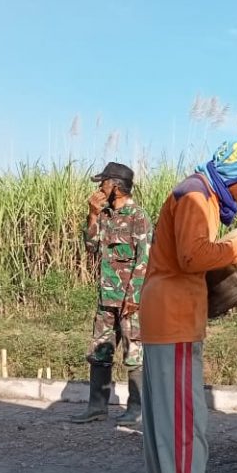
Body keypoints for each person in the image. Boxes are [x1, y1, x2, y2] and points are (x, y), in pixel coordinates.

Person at [139, 138, 237, 473]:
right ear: (236, 177)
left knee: (164, 417)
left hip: (166, 314)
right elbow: (193, 256)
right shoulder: (197, 196)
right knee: (184, 423)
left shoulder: (200, 192)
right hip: (174, 317)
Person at [72, 162, 152, 425]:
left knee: (134, 353)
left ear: (115, 186)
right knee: (99, 351)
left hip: (130, 300)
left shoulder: (137, 216)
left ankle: (136, 409)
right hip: (106, 298)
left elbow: (145, 260)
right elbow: (91, 247)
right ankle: (97, 407)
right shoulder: (104, 215)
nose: (99, 187)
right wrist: (92, 215)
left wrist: (134, 298)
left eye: (103, 182)